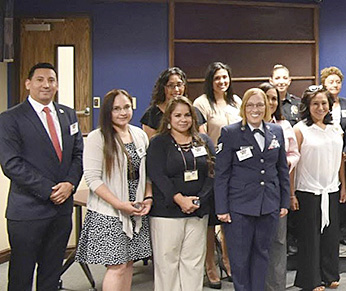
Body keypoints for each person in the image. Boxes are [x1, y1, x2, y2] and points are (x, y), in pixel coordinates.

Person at [0, 63, 83, 291]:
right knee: (21, 274)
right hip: (28, 211)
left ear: (56, 84)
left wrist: (69, 184)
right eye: (40, 80)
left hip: (61, 210)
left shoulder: (68, 115)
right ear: (28, 84)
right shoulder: (10, 118)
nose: (46, 85)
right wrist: (50, 190)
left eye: (51, 80)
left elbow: (78, 155)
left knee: (51, 273)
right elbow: (11, 164)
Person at [214, 88, 291, 291]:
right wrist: (221, 208)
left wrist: (284, 202)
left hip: (269, 204)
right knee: (240, 260)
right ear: (243, 107)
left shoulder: (276, 131)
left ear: (266, 107)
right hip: (239, 207)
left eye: (259, 104)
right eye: (250, 105)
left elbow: (282, 169)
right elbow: (221, 174)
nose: (255, 109)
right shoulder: (230, 133)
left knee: (262, 255)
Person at [79, 89, 152, 291]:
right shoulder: (97, 137)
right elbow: (92, 179)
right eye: (116, 109)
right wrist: (120, 205)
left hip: (135, 209)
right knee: (117, 265)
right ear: (107, 112)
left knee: (129, 262)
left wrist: (148, 197)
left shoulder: (139, 135)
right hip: (110, 211)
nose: (123, 112)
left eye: (126, 107)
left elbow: (147, 173)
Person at [147, 96, 216, 291]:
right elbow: (157, 175)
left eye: (187, 115)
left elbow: (213, 171)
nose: (183, 119)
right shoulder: (159, 142)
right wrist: (179, 199)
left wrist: (200, 199)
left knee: (193, 263)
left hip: (197, 210)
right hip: (167, 212)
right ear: (168, 118)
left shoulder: (202, 141)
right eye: (177, 115)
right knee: (167, 264)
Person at [292, 88, 346, 290]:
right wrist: (291, 193)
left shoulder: (335, 128)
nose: (320, 107)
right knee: (310, 238)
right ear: (307, 106)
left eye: (324, 103)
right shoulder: (300, 129)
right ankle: (310, 279)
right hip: (308, 191)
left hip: (331, 189)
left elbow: (341, 159)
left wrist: (343, 186)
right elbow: (292, 164)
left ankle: (330, 274)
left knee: (331, 235)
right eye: (315, 104)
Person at [193, 62, 241, 288]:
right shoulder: (201, 104)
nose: (222, 82)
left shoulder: (237, 102)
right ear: (210, 81)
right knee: (212, 220)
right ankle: (210, 265)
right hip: (213, 168)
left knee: (230, 218)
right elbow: (202, 138)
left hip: (237, 168)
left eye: (225, 77)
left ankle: (228, 261)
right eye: (217, 78)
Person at [259, 82, 300, 291]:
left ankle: (276, 287)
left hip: (277, 189)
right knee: (256, 243)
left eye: (274, 98)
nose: (271, 102)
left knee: (278, 242)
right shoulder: (243, 127)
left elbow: (294, 154)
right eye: (267, 97)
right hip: (253, 194)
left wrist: (282, 163)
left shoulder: (284, 127)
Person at [320, 66, 346, 247]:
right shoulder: (319, 103)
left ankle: (344, 231)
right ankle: (326, 230)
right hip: (324, 156)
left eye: (338, 82)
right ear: (324, 84)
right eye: (331, 82)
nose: (334, 85)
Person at [140, 67, 207, 138]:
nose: (176, 89)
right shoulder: (152, 114)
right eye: (171, 85)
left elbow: (202, 139)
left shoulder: (194, 111)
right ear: (163, 88)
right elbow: (151, 144)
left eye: (179, 85)